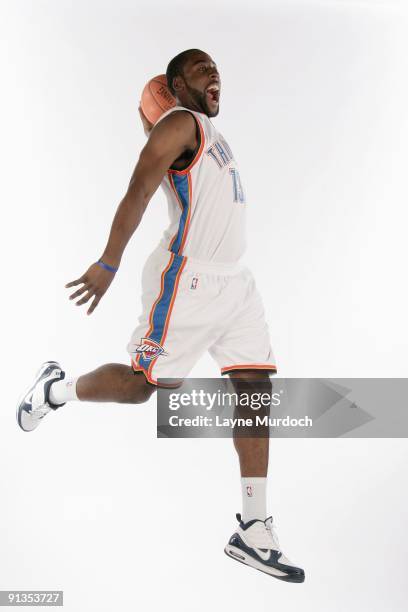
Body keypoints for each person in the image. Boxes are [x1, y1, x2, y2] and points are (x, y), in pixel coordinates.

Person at [17, 49, 304, 582]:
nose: (214, 73)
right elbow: (139, 189)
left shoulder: (210, 134)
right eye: (201, 68)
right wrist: (108, 261)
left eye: (217, 66)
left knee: (256, 386)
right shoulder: (179, 122)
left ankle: (253, 525)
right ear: (175, 87)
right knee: (138, 386)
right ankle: (55, 389)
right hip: (189, 281)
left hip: (234, 282)